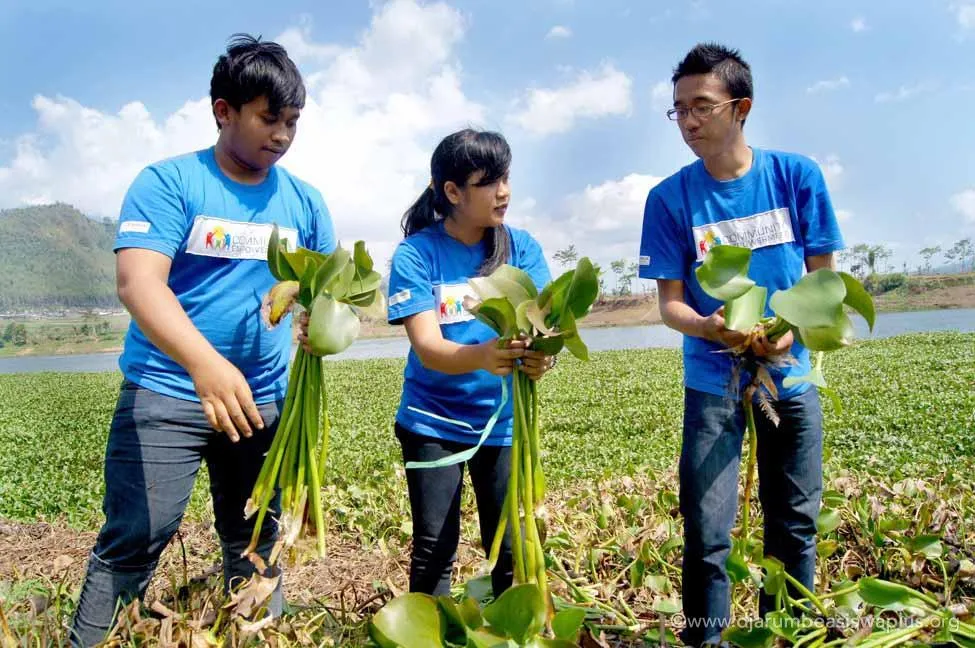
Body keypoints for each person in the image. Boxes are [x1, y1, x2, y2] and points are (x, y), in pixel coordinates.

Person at [69, 34, 335, 647]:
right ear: (223, 111)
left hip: (264, 400)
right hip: (169, 391)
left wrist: (312, 311)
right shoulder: (169, 183)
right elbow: (139, 283)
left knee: (257, 540)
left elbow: (323, 286)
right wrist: (204, 366)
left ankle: (259, 634)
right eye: (269, 118)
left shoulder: (305, 202)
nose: (282, 135)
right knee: (138, 535)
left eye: (292, 122)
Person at [638, 42, 845, 646]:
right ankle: (707, 638)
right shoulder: (668, 198)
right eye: (678, 109)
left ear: (741, 107)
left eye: (701, 106)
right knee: (706, 529)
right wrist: (710, 327)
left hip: (791, 372)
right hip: (712, 379)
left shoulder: (795, 176)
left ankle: (791, 630)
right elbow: (671, 304)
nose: (688, 121)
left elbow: (821, 283)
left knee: (795, 521)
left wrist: (789, 329)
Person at [386, 128, 556, 598]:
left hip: (503, 423)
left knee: (511, 549)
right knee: (434, 549)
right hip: (431, 423)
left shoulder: (520, 248)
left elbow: (546, 329)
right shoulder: (417, 254)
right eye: (488, 181)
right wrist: (484, 356)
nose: (503, 191)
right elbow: (427, 347)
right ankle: (426, 631)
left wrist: (541, 360)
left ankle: (512, 632)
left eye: (505, 177)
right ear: (453, 192)